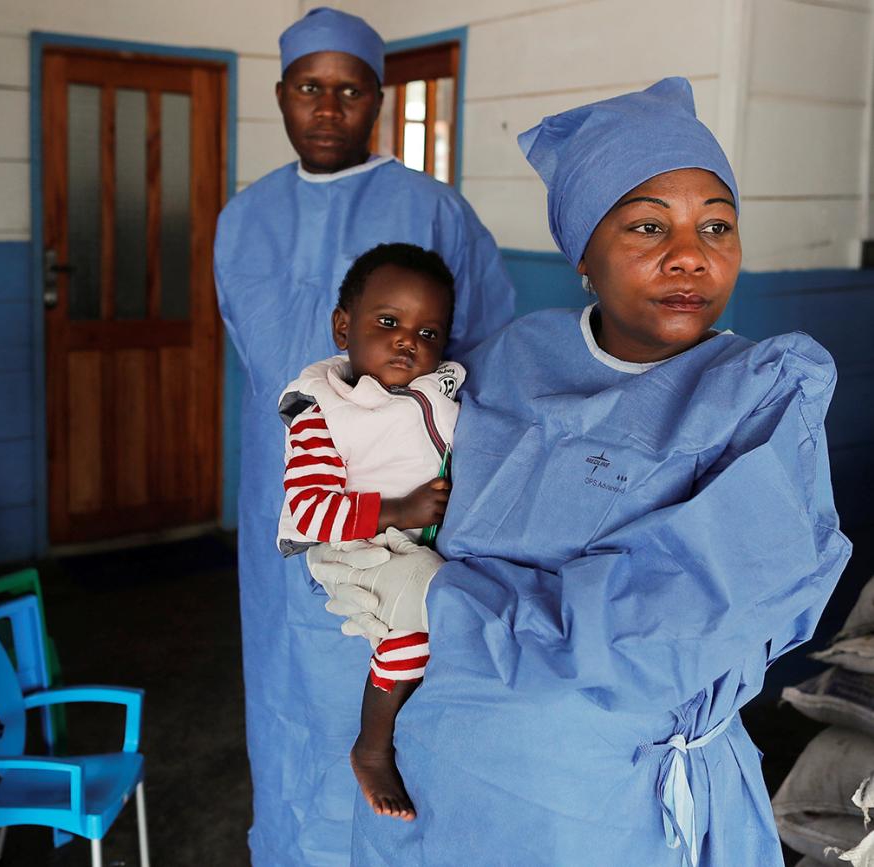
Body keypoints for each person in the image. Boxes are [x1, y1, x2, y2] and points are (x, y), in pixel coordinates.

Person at [309, 77, 853, 867]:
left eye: (718, 225)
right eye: (646, 225)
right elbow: (382, 465)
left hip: (602, 806)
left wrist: (439, 597)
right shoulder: (500, 366)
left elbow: (671, 627)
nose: (690, 255)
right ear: (585, 259)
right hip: (438, 777)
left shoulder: (762, 399)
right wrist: (349, 537)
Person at [214, 8, 515, 862]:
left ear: (376, 100)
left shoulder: (432, 209)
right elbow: (257, 353)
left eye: (349, 91)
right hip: (287, 496)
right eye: (310, 88)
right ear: (282, 95)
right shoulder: (245, 219)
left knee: (398, 686)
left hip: (408, 514)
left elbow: (481, 362)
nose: (328, 108)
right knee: (288, 698)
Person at [276, 243, 462, 821]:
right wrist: (396, 511)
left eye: (429, 332)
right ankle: (373, 745)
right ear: (342, 327)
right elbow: (306, 511)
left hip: (413, 536)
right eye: (388, 322)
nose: (409, 340)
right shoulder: (324, 414)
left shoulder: (438, 389)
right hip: (358, 546)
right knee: (418, 609)